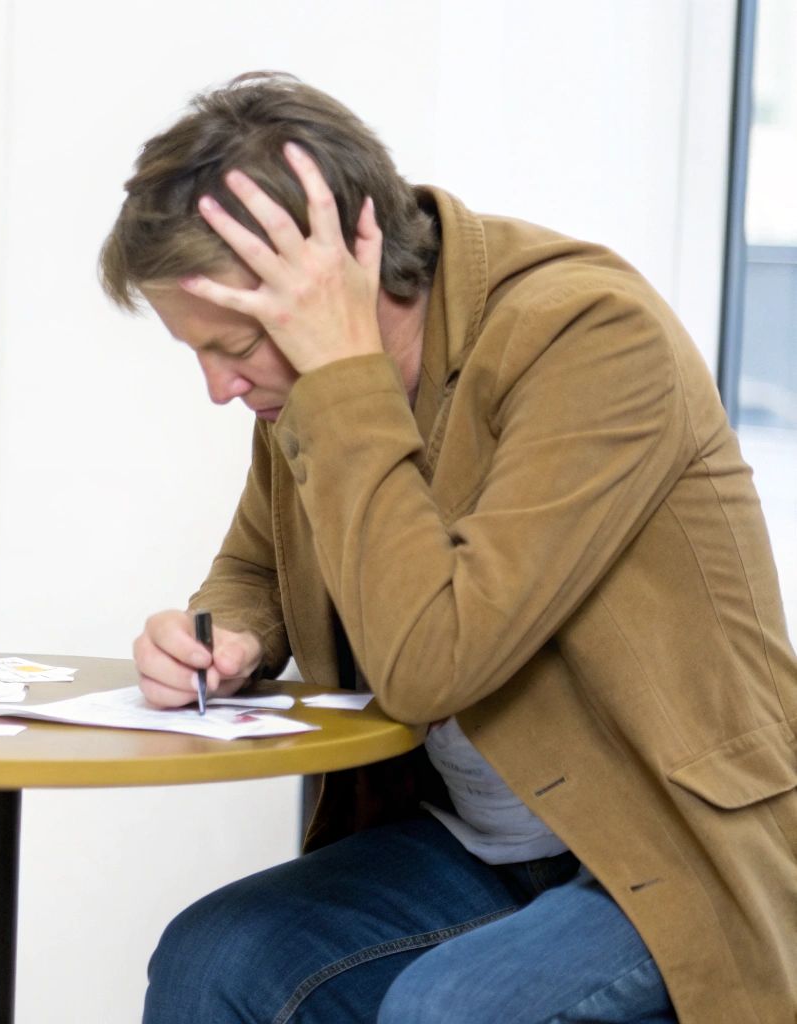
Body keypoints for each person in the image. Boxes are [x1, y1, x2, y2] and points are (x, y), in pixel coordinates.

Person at [100, 72, 797, 1024]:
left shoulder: (589, 336)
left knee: (448, 1010)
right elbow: (256, 565)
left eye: (233, 346)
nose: (222, 389)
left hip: (667, 850)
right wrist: (228, 637)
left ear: (342, 275)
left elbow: (434, 662)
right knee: (213, 957)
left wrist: (341, 374)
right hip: (482, 843)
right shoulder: (309, 384)